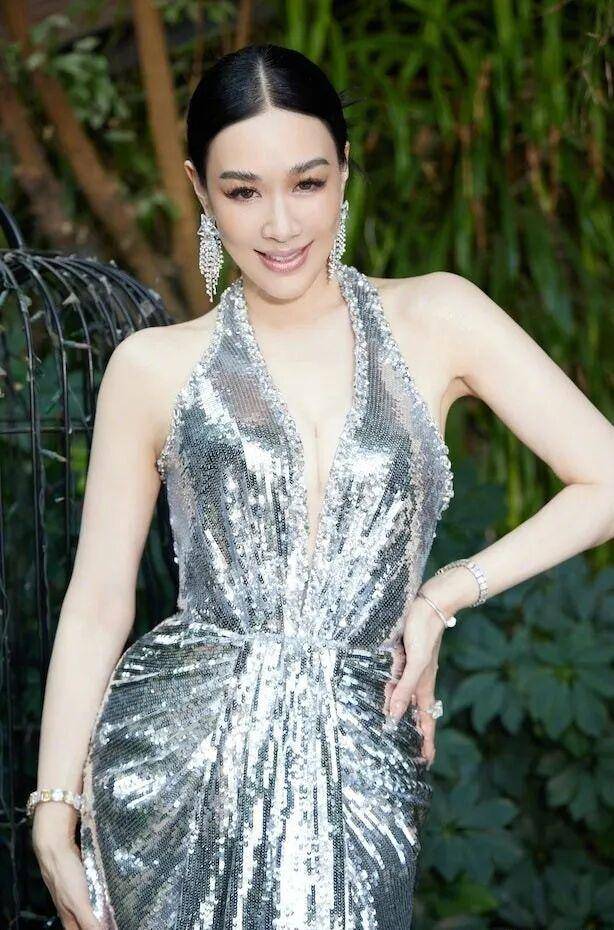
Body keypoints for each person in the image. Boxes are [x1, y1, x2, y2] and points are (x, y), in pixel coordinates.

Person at [29, 43, 614, 930]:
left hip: (359, 764)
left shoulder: (439, 317)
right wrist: (54, 809)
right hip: (171, 770)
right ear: (198, 190)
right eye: (242, 191)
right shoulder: (151, 367)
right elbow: (97, 603)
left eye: (306, 182)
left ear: (345, 168)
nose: (279, 225)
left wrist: (444, 596)